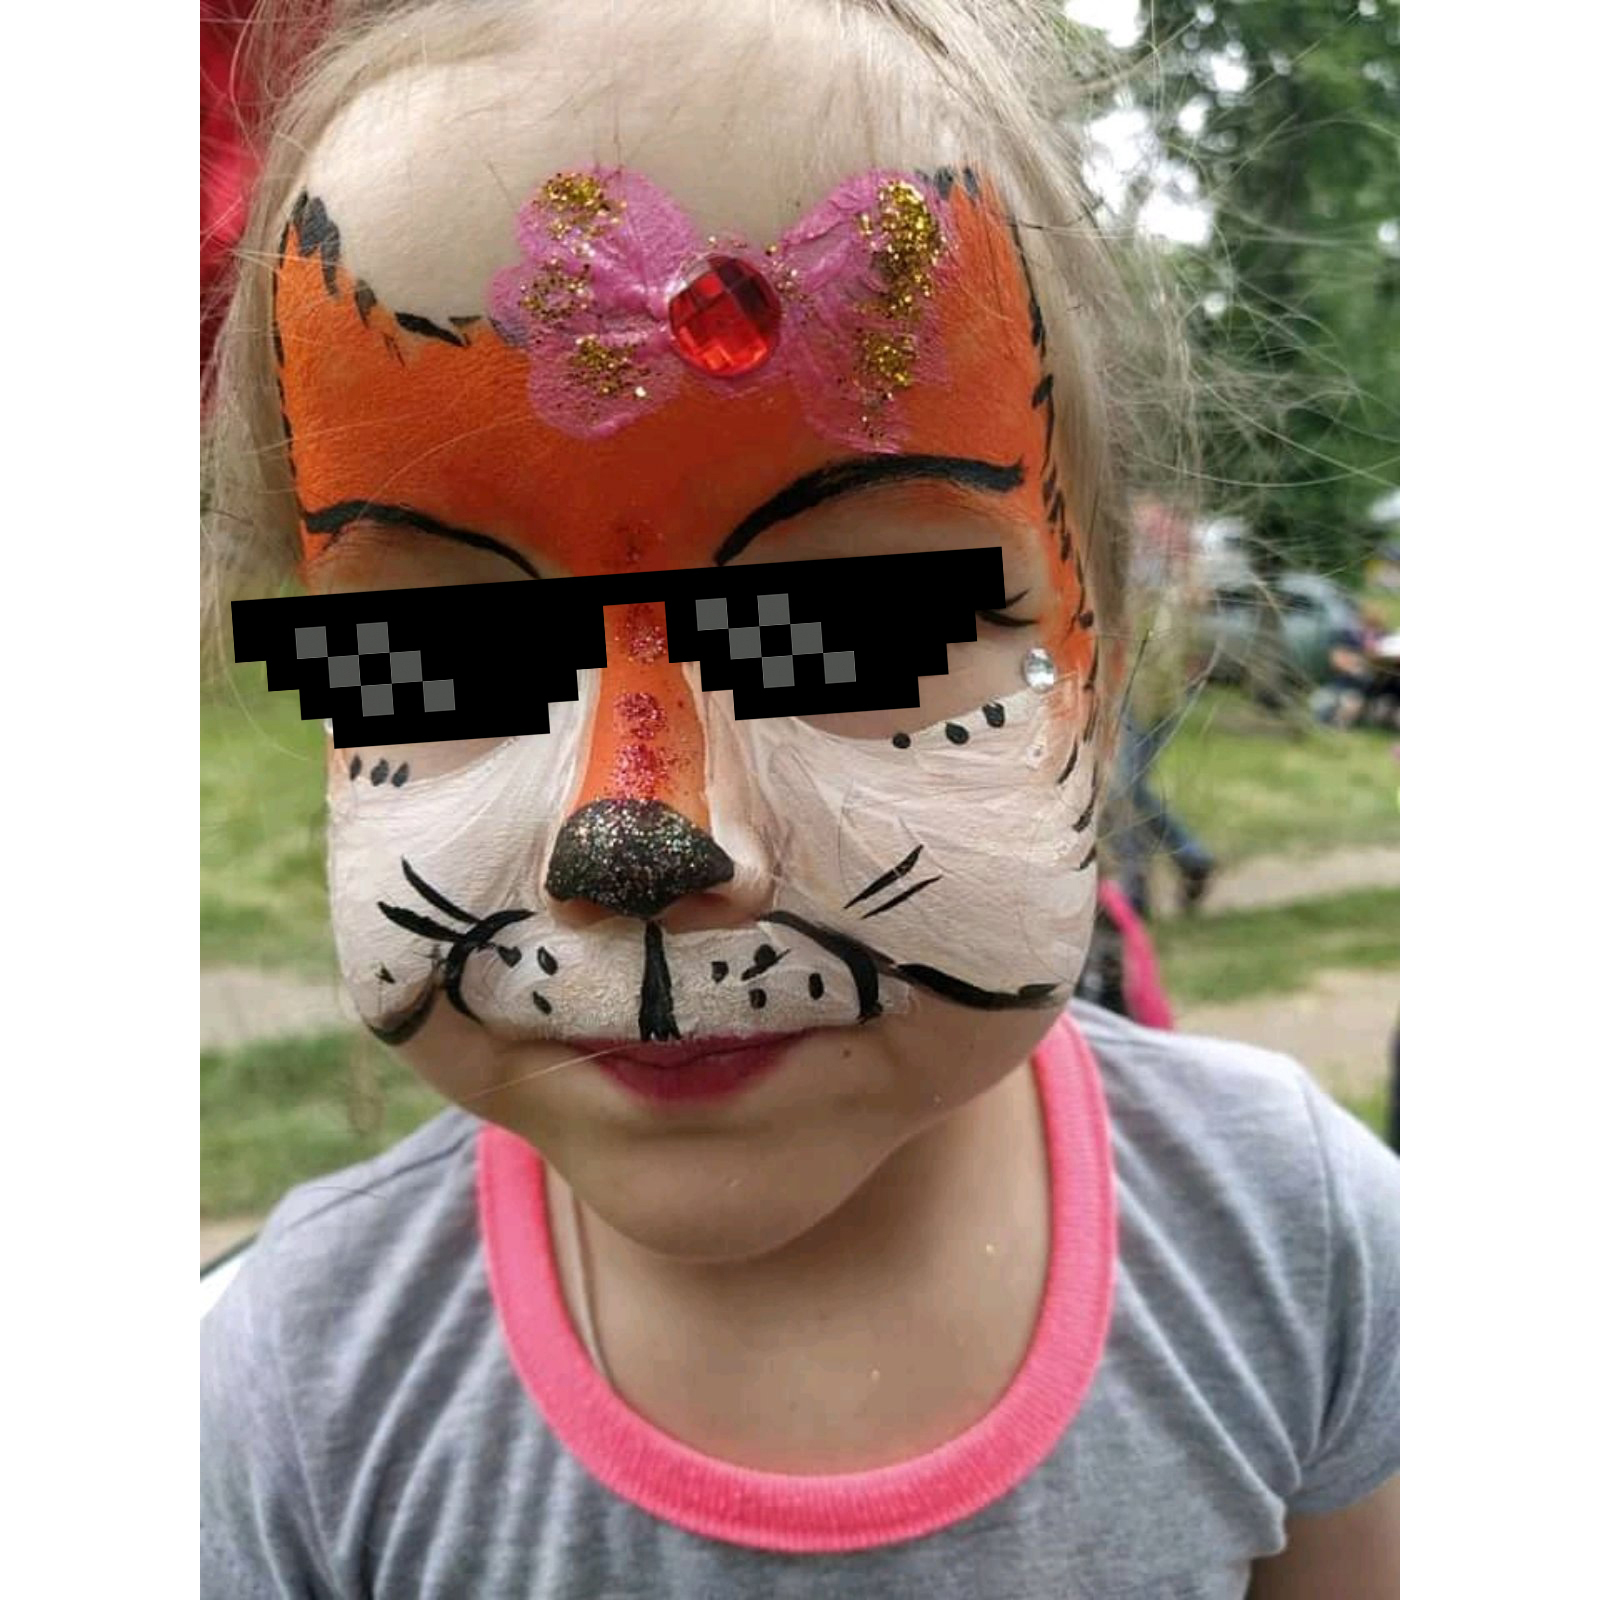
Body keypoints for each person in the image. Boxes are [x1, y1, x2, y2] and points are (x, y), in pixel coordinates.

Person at [200, 3, 1400, 1595]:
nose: (634, 839)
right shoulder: (296, 1393)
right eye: (442, 653)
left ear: (1095, 668)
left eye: (846, 634)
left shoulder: (1303, 1243)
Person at [1113, 706, 1217, 916]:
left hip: (1145, 700)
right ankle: (1190, 857)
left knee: (1125, 789)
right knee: (1127, 790)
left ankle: (1134, 889)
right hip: (1136, 699)